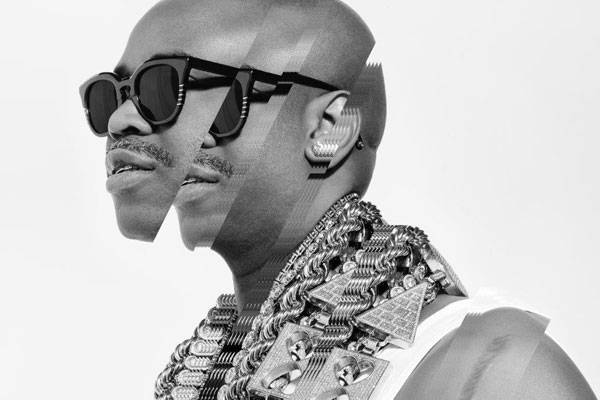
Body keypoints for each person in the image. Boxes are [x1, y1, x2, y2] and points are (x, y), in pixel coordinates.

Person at [79, 0, 596, 399]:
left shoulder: (488, 368)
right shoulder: (205, 372)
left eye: (171, 88)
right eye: (111, 97)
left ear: (330, 128)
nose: (122, 121)